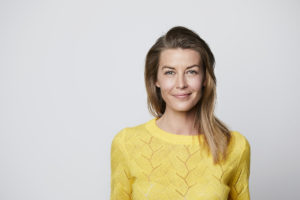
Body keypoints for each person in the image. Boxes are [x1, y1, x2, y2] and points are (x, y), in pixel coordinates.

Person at [110, 26, 251, 200]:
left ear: (205, 78)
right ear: (156, 79)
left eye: (191, 71)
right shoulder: (126, 143)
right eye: (170, 72)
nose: (181, 83)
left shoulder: (234, 146)